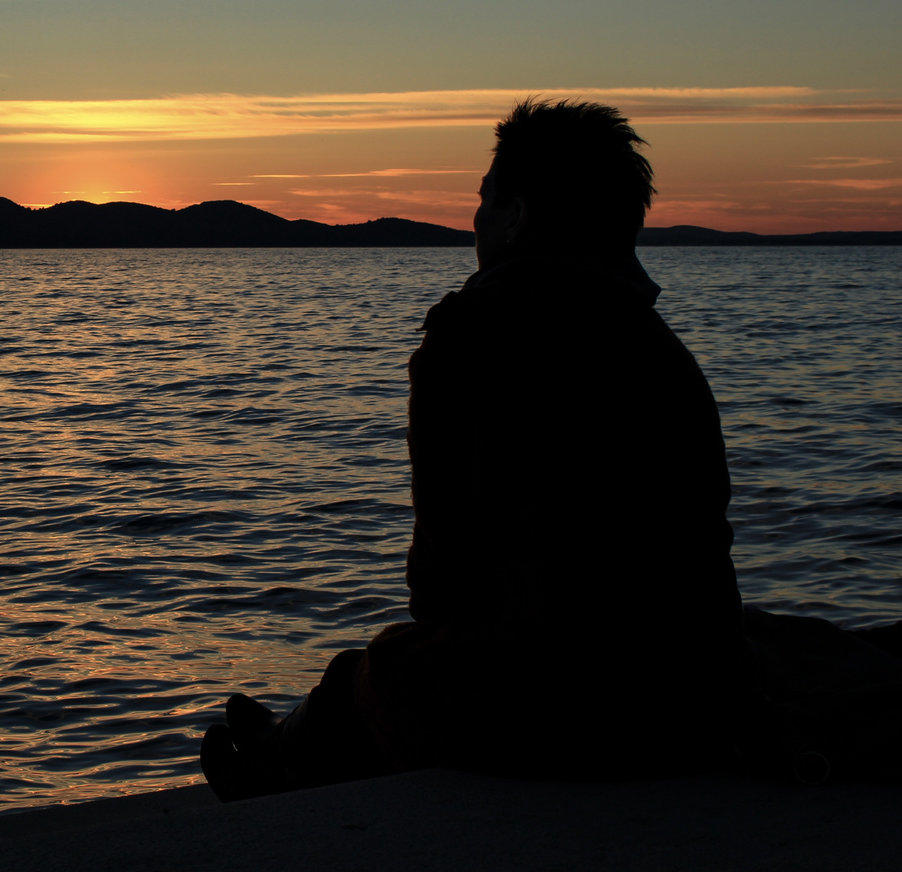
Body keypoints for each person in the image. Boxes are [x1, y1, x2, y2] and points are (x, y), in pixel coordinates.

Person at [200, 99, 746, 798]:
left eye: (485, 201)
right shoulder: (664, 354)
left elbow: (443, 583)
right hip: (696, 702)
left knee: (385, 669)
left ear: (516, 215)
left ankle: (280, 757)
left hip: (567, 719)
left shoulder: (472, 337)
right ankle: (291, 734)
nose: (475, 220)